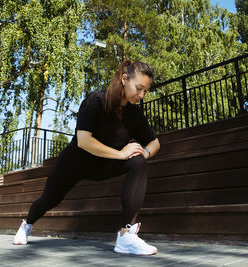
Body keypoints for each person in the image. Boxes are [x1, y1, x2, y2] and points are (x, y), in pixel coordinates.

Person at [13, 60, 161, 256]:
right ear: (124, 79)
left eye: (146, 91)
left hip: (104, 166)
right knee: (49, 200)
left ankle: (126, 235)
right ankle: (27, 224)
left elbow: (155, 142)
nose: (141, 95)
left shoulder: (134, 115)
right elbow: (84, 141)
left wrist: (145, 152)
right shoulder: (96, 100)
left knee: (138, 162)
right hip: (74, 164)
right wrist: (120, 153)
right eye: (139, 88)